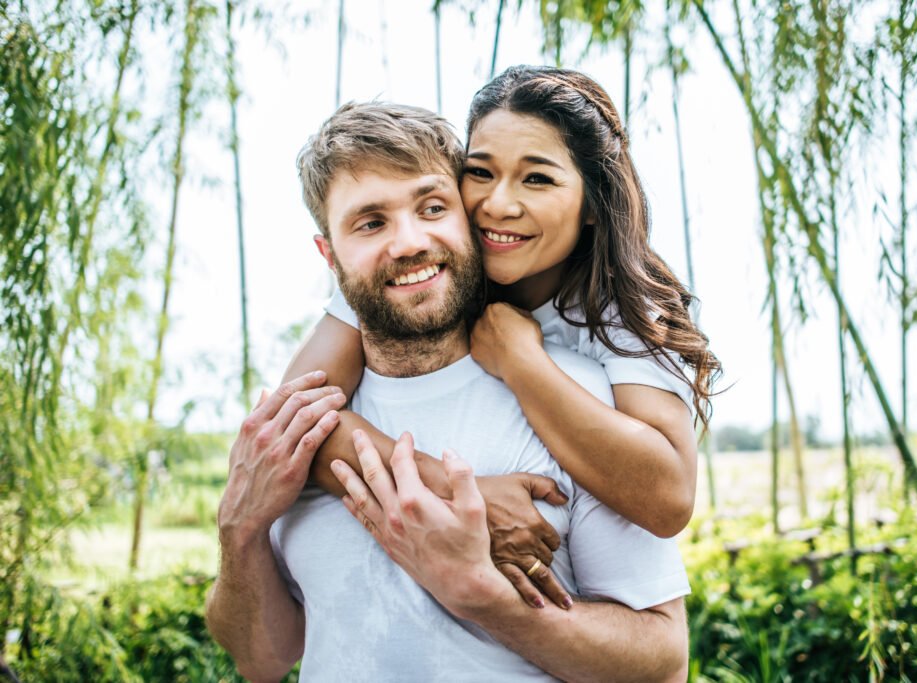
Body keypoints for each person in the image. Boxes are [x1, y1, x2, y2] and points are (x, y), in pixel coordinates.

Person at [206, 101, 690, 681]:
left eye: (432, 207)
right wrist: (238, 530)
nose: (408, 242)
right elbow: (262, 662)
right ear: (329, 256)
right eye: (370, 222)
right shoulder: (298, 435)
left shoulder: (584, 391)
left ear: (465, 222)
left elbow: (663, 663)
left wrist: (481, 595)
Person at [284, 66, 720, 605]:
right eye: (481, 173)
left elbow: (668, 497)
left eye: (537, 179)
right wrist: (461, 496)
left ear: (592, 204)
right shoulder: (425, 267)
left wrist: (521, 362)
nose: (498, 205)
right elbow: (296, 422)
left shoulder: (625, 308)